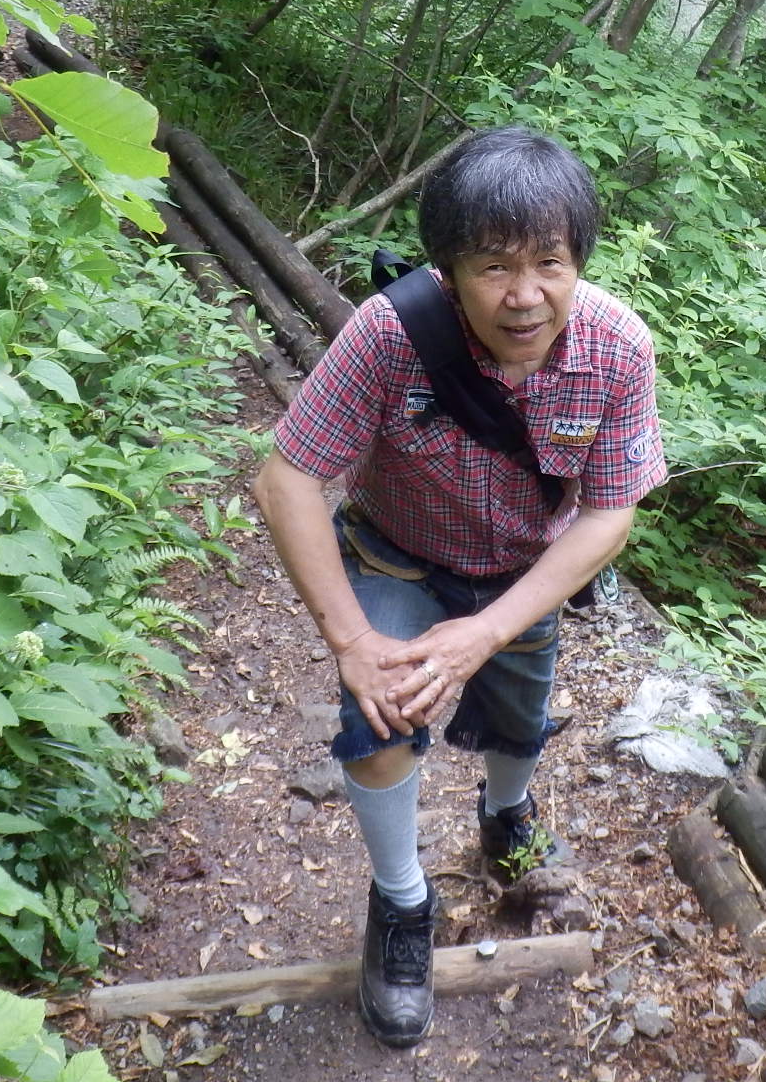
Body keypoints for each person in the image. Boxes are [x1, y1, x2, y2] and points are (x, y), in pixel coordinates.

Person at [252, 127, 666, 1048]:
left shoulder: (617, 348)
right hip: (398, 555)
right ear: (449, 271)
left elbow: (610, 513)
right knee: (379, 720)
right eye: (494, 267)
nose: (526, 294)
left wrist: (486, 632)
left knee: (521, 717)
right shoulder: (391, 334)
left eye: (550, 263)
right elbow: (287, 480)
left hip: (522, 574)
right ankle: (402, 903)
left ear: (579, 261)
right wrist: (354, 641)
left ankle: (506, 815)